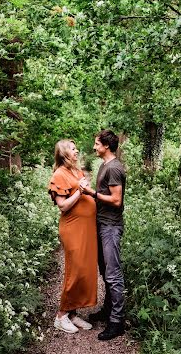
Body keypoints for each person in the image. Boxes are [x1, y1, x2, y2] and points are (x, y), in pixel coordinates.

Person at [48, 139, 97, 333]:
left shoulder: (77, 172)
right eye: (73, 149)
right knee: (75, 271)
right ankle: (61, 316)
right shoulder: (59, 174)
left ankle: (72, 313)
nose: (76, 151)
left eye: (76, 148)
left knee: (84, 270)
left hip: (86, 229)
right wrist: (80, 191)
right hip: (73, 228)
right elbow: (63, 206)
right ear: (63, 154)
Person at [83, 129, 126, 341]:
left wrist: (92, 193)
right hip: (101, 225)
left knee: (113, 274)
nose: (94, 147)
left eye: (97, 144)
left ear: (106, 145)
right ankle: (108, 310)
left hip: (111, 227)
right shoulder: (104, 166)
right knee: (105, 271)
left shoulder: (115, 169)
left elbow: (116, 200)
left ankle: (117, 322)